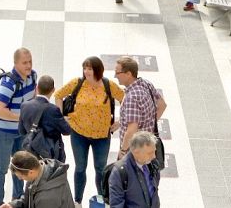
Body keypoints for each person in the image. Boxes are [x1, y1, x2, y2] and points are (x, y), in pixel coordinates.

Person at [54, 56, 123, 204]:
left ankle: (102, 200)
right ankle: (77, 202)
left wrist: (120, 122)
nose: (86, 71)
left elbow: (126, 99)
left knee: (100, 169)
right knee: (80, 168)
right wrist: (61, 117)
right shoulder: (77, 83)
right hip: (78, 134)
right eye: (84, 68)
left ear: (98, 70)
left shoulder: (108, 85)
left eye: (90, 68)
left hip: (102, 136)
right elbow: (58, 95)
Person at [0, 48, 37, 208]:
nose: (29, 65)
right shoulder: (8, 83)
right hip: (3, 132)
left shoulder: (33, 76)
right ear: (16, 63)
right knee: (2, 168)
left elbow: (34, 95)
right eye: (25, 62)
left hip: (21, 131)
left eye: (30, 61)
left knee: (20, 166)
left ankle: (17, 200)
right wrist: (21, 117)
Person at [113, 56, 166, 159]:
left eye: (118, 73)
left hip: (133, 150)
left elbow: (132, 129)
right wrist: (149, 124)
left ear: (128, 74)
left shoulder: (131, 97)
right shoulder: (146, 84)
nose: (115, 76)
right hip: (149, 144)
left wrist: (123, 151)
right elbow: (162, 105)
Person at [0, 150, 75, 208]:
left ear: (31, 172)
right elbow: (30, 198)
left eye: (21, 176)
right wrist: (13, 205)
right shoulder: (40, 169)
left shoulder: (47, 197)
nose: (20, 179)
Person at [107, 131, 162, 208]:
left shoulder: (153, 164)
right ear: (136, 152)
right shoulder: (120, 172)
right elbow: (116, 204)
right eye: (150, 153)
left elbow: (154, 189)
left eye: (154, 152)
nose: (154, 156)